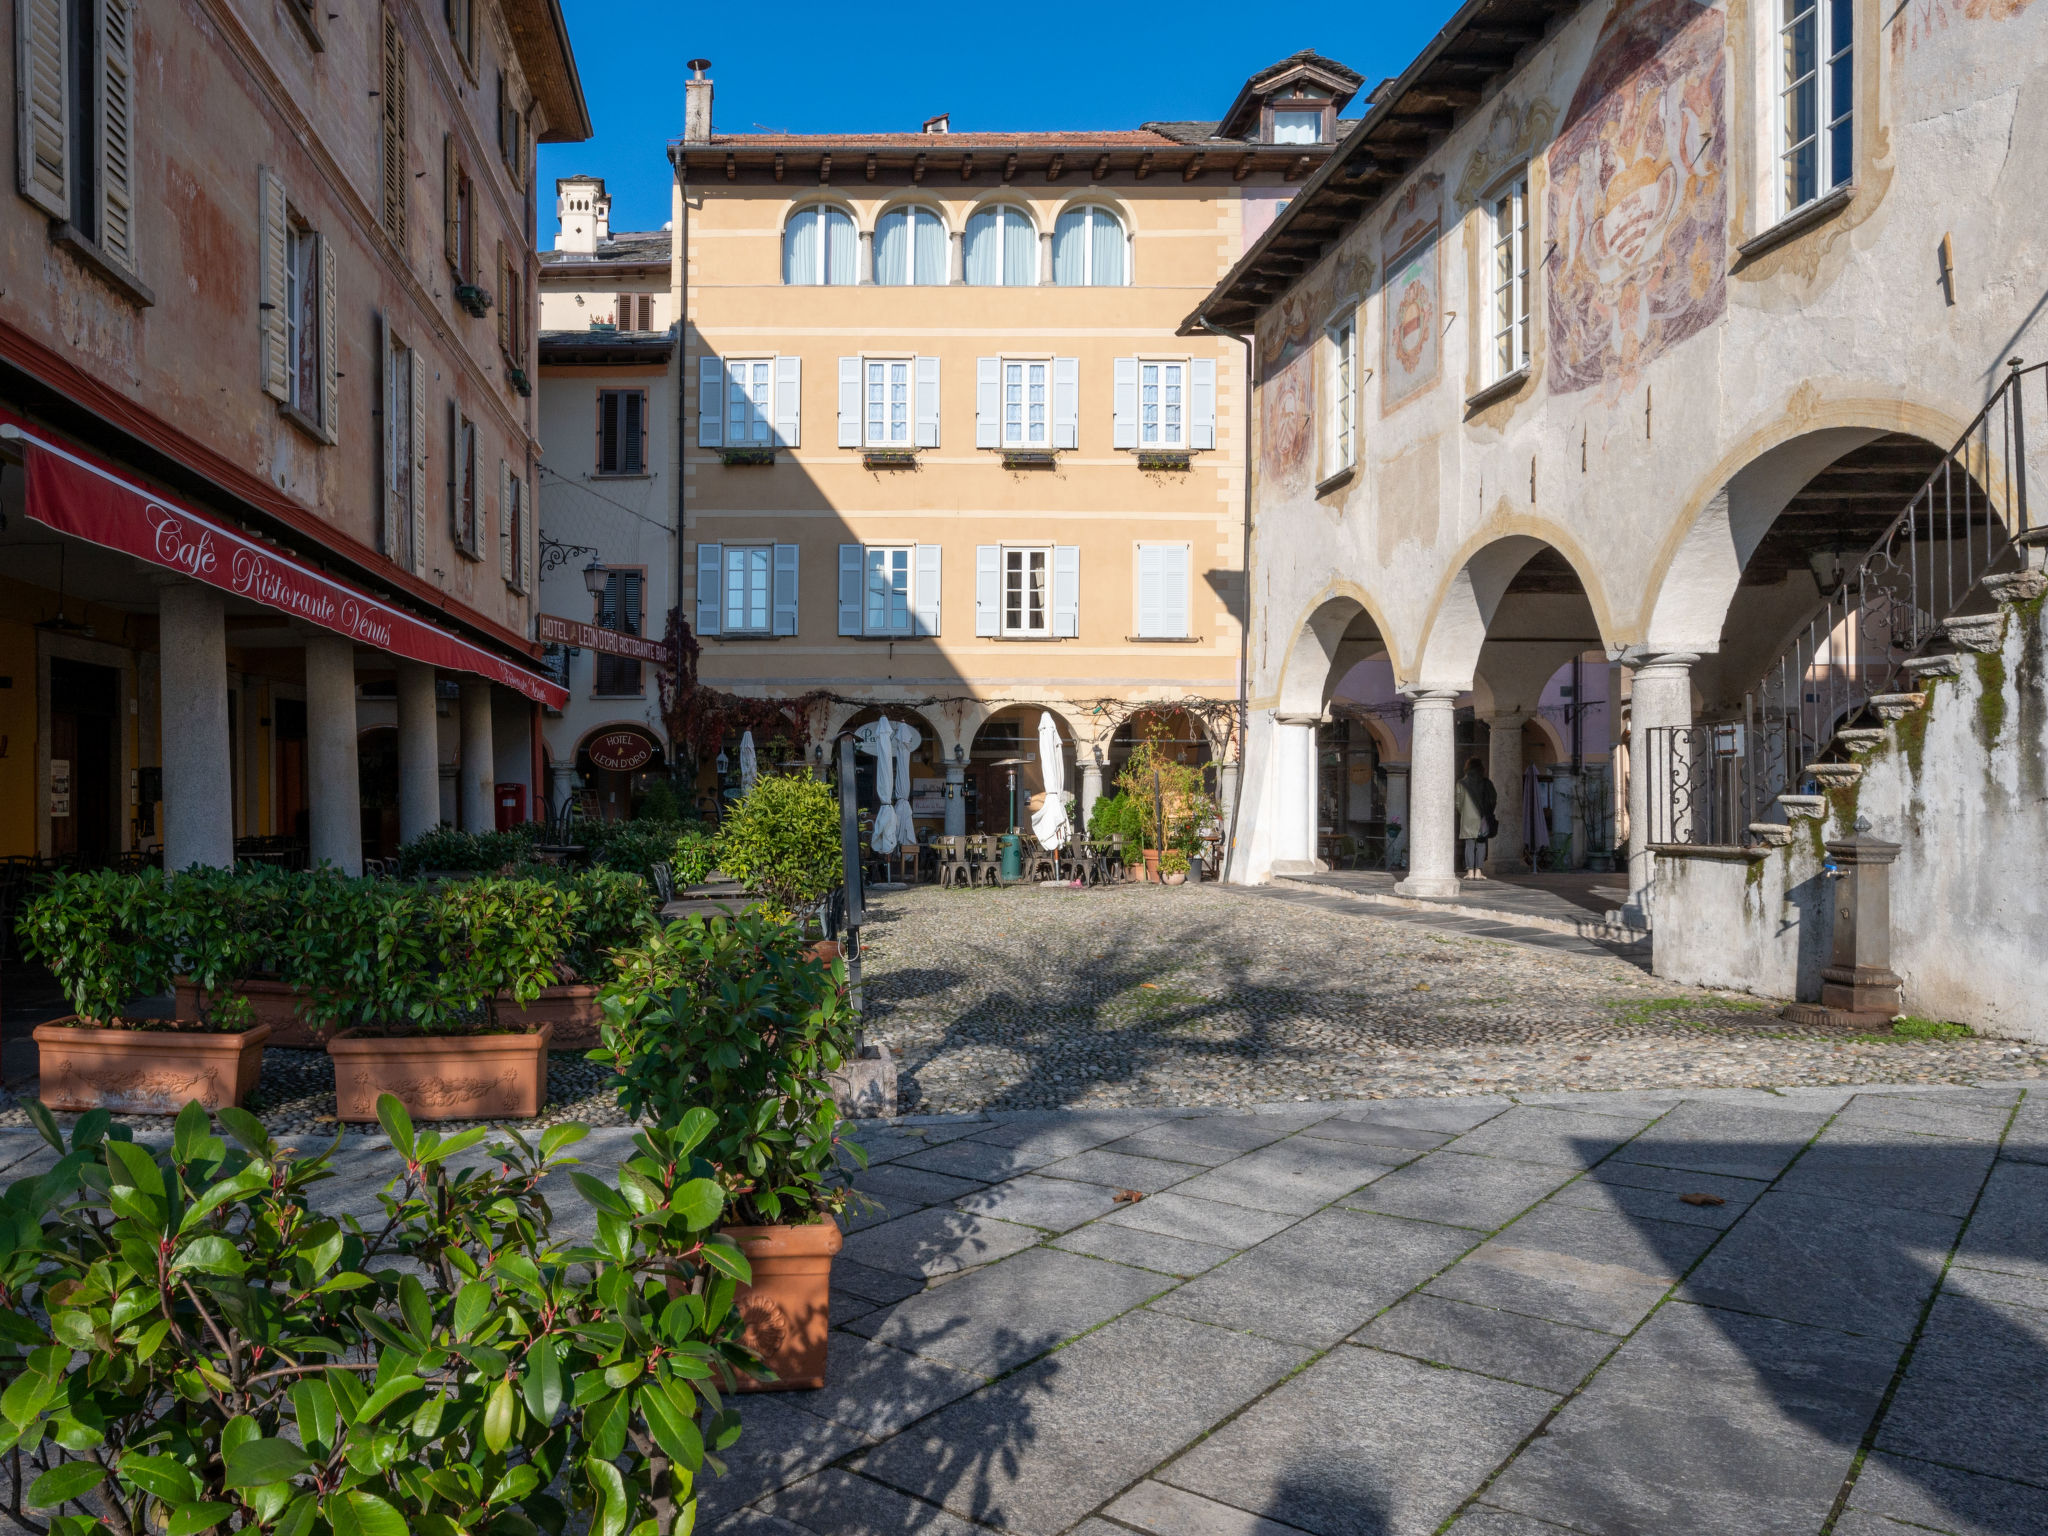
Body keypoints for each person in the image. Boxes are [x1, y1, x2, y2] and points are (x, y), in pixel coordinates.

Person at [1455, 756, 1498, 880]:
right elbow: (1493, 799)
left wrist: (1464, 812)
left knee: (1469, 844)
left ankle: (1470, 872)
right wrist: (1488, 812)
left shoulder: (1461, 783)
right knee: (1481, 843)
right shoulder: (1486, 782)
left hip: (1467, 818)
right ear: (1481, 768)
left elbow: (1457, 802)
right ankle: (1478, 871)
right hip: (1483, 817)